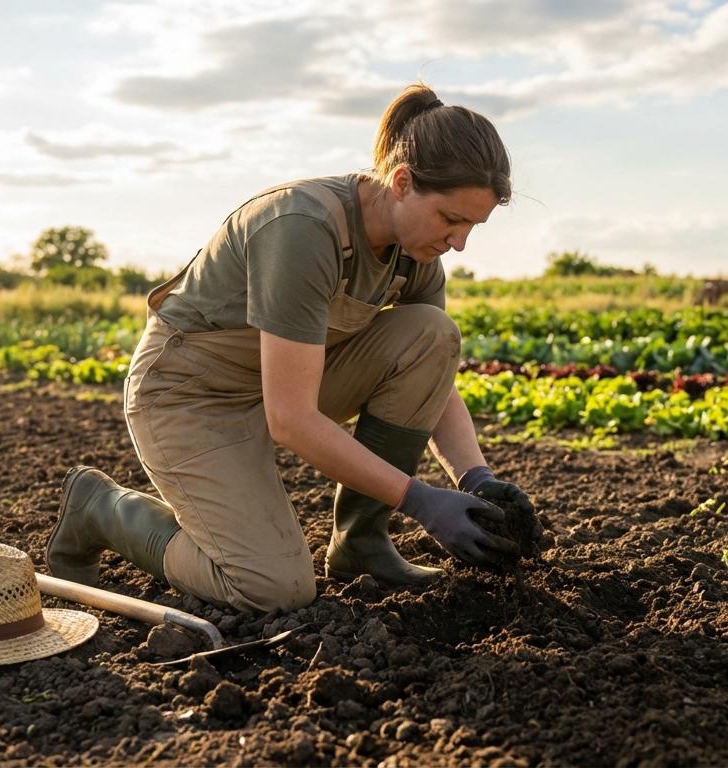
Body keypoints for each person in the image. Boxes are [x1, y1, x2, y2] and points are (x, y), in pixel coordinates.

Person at [45, 84, 535, 614]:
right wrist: (421, 501)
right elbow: (292, 419)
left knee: (434, 331)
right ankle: (100, 509)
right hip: (191, 396)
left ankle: (362, 544)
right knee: (273, 589)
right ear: (401, 182)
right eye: (451, 219)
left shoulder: (415, 253)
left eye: (472, 226)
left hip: (280, 387)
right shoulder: (304, 228)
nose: (458, 242)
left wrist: (477, 479)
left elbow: (432, 374)